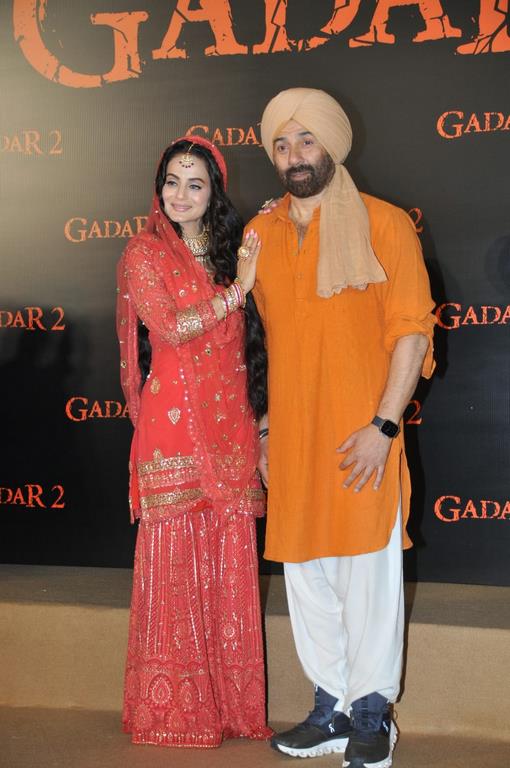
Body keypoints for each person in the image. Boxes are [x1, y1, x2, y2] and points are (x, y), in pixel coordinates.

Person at [248, 89, 436, 768]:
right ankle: (329, 706)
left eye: (307, 140)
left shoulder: (385, 224)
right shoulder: (260, 235)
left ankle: (371, 713)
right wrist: (267, 428)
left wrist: (383, 427)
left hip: (362, 440)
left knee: (368, 582)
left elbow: (412, 334)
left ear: (333, 143)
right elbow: (269, 341)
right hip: (294, 443)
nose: (294, 156)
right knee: (308, 580)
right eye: (282, 143)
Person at [116, 135, 271, 748]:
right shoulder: (144, 251)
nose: (180, 194)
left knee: (228, 559)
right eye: (172, 181)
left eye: (195, 184)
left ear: (214, 193)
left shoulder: (234, 251)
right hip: (174, 425)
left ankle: (231, 707)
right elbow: (170, 327)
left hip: (230, 423)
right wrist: (238, 291)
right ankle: (175, 712)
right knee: (176, 560)